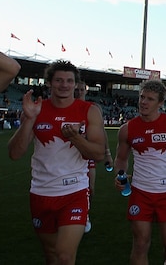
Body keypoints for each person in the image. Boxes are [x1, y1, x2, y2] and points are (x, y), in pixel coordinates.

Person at [7, 60, 106, 265]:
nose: (64, 85)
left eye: (69, 81)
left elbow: (98, 154)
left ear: (75, 85)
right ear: (49, 83)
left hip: (74, 192)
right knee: (51, 256)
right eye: (59, 80)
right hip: (41, 192)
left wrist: (76, 138)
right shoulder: (37, 109)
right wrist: (29, 120)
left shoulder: (89, 111)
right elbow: (15, 153)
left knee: (64, 255)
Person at [114, 79, 166, 265]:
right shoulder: (127, 129)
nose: (144, 102)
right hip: (140, 193)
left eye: (150, 99)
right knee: (140, 244)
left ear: (161, 103)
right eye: (142, 97)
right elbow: (121, 158)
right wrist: (120, 175)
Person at [74, 80, 113, 233]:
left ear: (86, 90)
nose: (79, 92)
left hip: (88, 152)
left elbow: (102, 133)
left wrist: (107, 153)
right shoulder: (66, 107)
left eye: (82, 89)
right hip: (70, 153)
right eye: (77, 89)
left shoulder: (92, 109)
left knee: (90, 187)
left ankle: (85, 214)